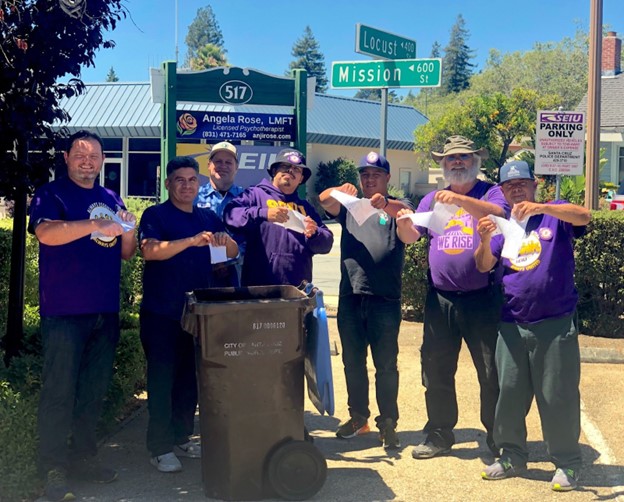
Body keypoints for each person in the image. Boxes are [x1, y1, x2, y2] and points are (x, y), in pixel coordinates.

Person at [28, 130, 137, 502]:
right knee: (59, 393)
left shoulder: (110, 197)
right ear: (67, 158)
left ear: (103, 160)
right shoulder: (51, 194)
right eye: (80, 154)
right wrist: (95, 225)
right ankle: (53, 468)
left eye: (94, 156)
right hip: (64, 311)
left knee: (92, 392)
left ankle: (84, 458)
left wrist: (128, 227)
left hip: (104, 310)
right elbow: (46, 234)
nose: (87, 161)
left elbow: (126, 252)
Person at [475, 160, 590, 491]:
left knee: (557, 396)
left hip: (555, 322)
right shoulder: (503, 224)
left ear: (534, 184)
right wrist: (484, 239)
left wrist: (541, 207)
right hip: (512, 322)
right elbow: (484, 264)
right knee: (509, 394)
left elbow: (584, 216)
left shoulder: (554, 213)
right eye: (509, 186)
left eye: (522, 184)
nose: (516, 190)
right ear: (502, 191)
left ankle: (567, 462)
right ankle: (511, 456)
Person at [396, 135, 508, 460]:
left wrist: (459, 200)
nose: (457, 162)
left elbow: (499, 213)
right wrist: (403, 224)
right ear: (443, 164)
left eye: (463, 157)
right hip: (440, 299)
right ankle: (439, 433)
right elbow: (411, 237)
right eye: (451, 158)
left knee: (491, 372)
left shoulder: (490, 192)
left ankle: (499, 437)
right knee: (436, 369)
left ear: (475, 161)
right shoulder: (431, 199)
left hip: (482, 298)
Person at [139, 156, 238, 473]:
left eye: (192, 180)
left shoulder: (207, 217)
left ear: (199, 183)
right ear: (168, 183)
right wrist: (191, 241)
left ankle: (181, 437)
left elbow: (230, 253)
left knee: (189, 381)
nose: (186, 185)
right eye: (179, 180)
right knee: (162, 381)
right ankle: (159, 447)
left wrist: (224, 241)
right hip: (161, 313)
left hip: (197, 315)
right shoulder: (155, 215)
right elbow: (150, 250)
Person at [319, 151, 413, 449]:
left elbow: (407, 218)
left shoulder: (397, 205)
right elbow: (324, 200)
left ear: (387, 178)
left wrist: (385, 204)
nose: (369, 179)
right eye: (365, 175)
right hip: (351, 297)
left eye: (376, 174)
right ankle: (359, 418)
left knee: (386, 365)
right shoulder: (351, 206)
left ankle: (388, 422)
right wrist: (339, 190)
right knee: (352, 363)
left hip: (384, 299)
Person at [223, 148, 333, 287]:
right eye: (285, 167)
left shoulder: (306, 207)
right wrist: (263, 213)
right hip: (259, 289)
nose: (290, 172)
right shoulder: (254, 194)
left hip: (297, 290)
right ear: (274, 171)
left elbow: (327, 243)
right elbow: (230, 214)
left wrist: (315, 233)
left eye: (296, 169)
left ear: (301, 179)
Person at [195, 141, 245, 286]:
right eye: (218, 161)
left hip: (237, 271)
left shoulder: (246, 198)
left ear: (236, 167)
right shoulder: (194, 196)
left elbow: (252, 237)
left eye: (228, 162)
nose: (223, 166)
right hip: (200, 270)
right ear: (209, 165)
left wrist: (229, 259)